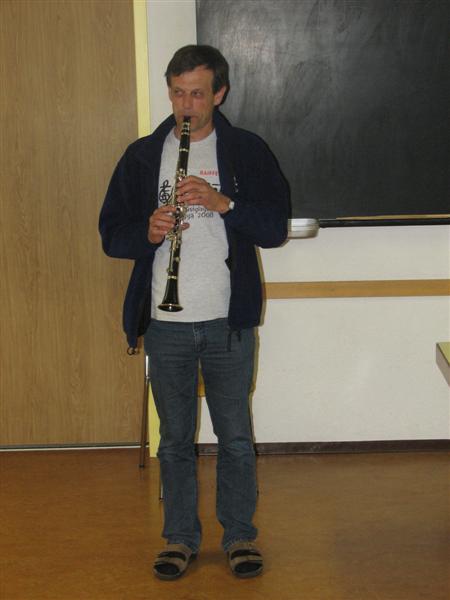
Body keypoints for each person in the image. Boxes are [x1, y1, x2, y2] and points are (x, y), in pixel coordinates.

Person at [99, 45, 289, 580]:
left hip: (228, 321)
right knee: (174, 442)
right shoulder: (143, 156)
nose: (186, 105)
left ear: (219, 94)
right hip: (166, 324)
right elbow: (111, 234)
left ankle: (239, 536)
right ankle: (180, 539)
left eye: (198, 94)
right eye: (178, 93)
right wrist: (147, 232)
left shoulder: (246, 150)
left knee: (235, 439)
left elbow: (274, 228)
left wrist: (223, 203)